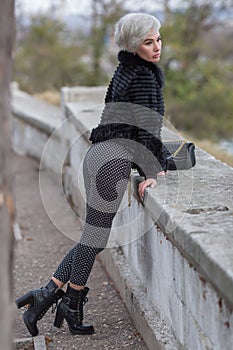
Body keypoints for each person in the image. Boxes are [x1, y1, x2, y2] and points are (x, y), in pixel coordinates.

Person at [16, 12, 167, 337]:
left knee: (93, 238)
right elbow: (146, 126)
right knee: (93, 238)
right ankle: (52, 300)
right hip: (111, 162)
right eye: (148, 42)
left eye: (158, 39)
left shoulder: (125, 70)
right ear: (133, 45)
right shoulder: (144, 76)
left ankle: (51, 300)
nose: (157, 47)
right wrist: (152, 170)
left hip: (98, 156)